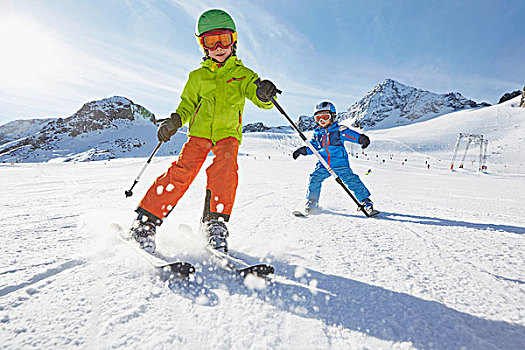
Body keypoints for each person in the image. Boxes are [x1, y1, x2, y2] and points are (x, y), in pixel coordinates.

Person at [130, 9, 278, 253]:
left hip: (228, 135)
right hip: (199, 134)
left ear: (234, 41)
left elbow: (261, 99)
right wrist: (175, 121)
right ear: (203, 46)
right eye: (211, 41)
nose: (219, 46)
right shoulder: (197, 77)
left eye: (224, 39)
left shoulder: (244, 75)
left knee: (226, 170)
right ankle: (145, 222)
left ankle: (214, 224)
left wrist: (265, 93)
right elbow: (187, 104)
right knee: (182, 172)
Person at [292, 101, 376, 215]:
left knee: (352, 181)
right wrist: (302, 151)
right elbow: (313, 148)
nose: (321, 121)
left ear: (332, 117)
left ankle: (366, 202)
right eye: (318, 118)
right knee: (315, 178)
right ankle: (312, 201)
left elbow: (350, 134)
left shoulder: (338, 130)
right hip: (324, 164)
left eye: (325, 117)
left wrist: (361, 138)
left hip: (340, 164)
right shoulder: (318, 134)